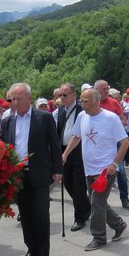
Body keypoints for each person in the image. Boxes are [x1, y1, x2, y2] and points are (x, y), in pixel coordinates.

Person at [0, 83, 62, 256]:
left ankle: (44, 251)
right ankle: (32, 249)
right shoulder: (7, 122)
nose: (16, 103)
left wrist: (58, 169)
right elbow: (3, 149)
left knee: (41, 213)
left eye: (20, 99)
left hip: (40, 173)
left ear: (29, 98)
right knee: (25, 215)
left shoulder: (44, 118)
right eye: (13, 99)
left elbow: (55, 145)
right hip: (17, 175)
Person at [62, 89, 128, 251]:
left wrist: (114, 164)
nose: (83, 105)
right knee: (98, 202)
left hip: (106, 169)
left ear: (97, 101)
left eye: (86, 101)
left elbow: (125, 142)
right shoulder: (81, 116)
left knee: (96, 203)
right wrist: (64, 155)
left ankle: (99, 237)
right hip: (88, 169)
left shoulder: (110, 118)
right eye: (82, 101)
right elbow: (76, 136)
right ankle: (118, 224)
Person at [54, 83, 91, 232]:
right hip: (64, 151)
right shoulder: (61, 111)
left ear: (73, 95)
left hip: (78, 151)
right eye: (60, 95)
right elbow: (59, 131)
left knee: (78, 185)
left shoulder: (82, 110)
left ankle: (79, 217)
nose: (61, 98)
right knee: (68, 183)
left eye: (64, 95)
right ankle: (86, 206)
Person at [94, 80, 129, 211]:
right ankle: (95, 202)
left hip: (116, 143)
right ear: (96, 91)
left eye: (107, 88)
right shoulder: (92, 104)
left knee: (121, 171)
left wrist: (116, 123)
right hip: (98, 145)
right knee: (94, 173)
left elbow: (124, 119)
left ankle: (125, 199)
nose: (106, 91)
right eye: (104, 89)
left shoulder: (114, 103)